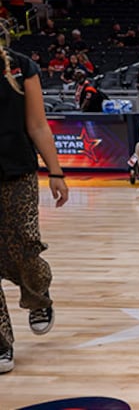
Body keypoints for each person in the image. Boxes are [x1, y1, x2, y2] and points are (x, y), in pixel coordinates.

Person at [0, 40, 69, 375]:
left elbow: (38, 125)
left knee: (26, 245)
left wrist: (56, 172)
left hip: (18, 172)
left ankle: (38, 297)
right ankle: (1, 344)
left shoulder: (20, 66)